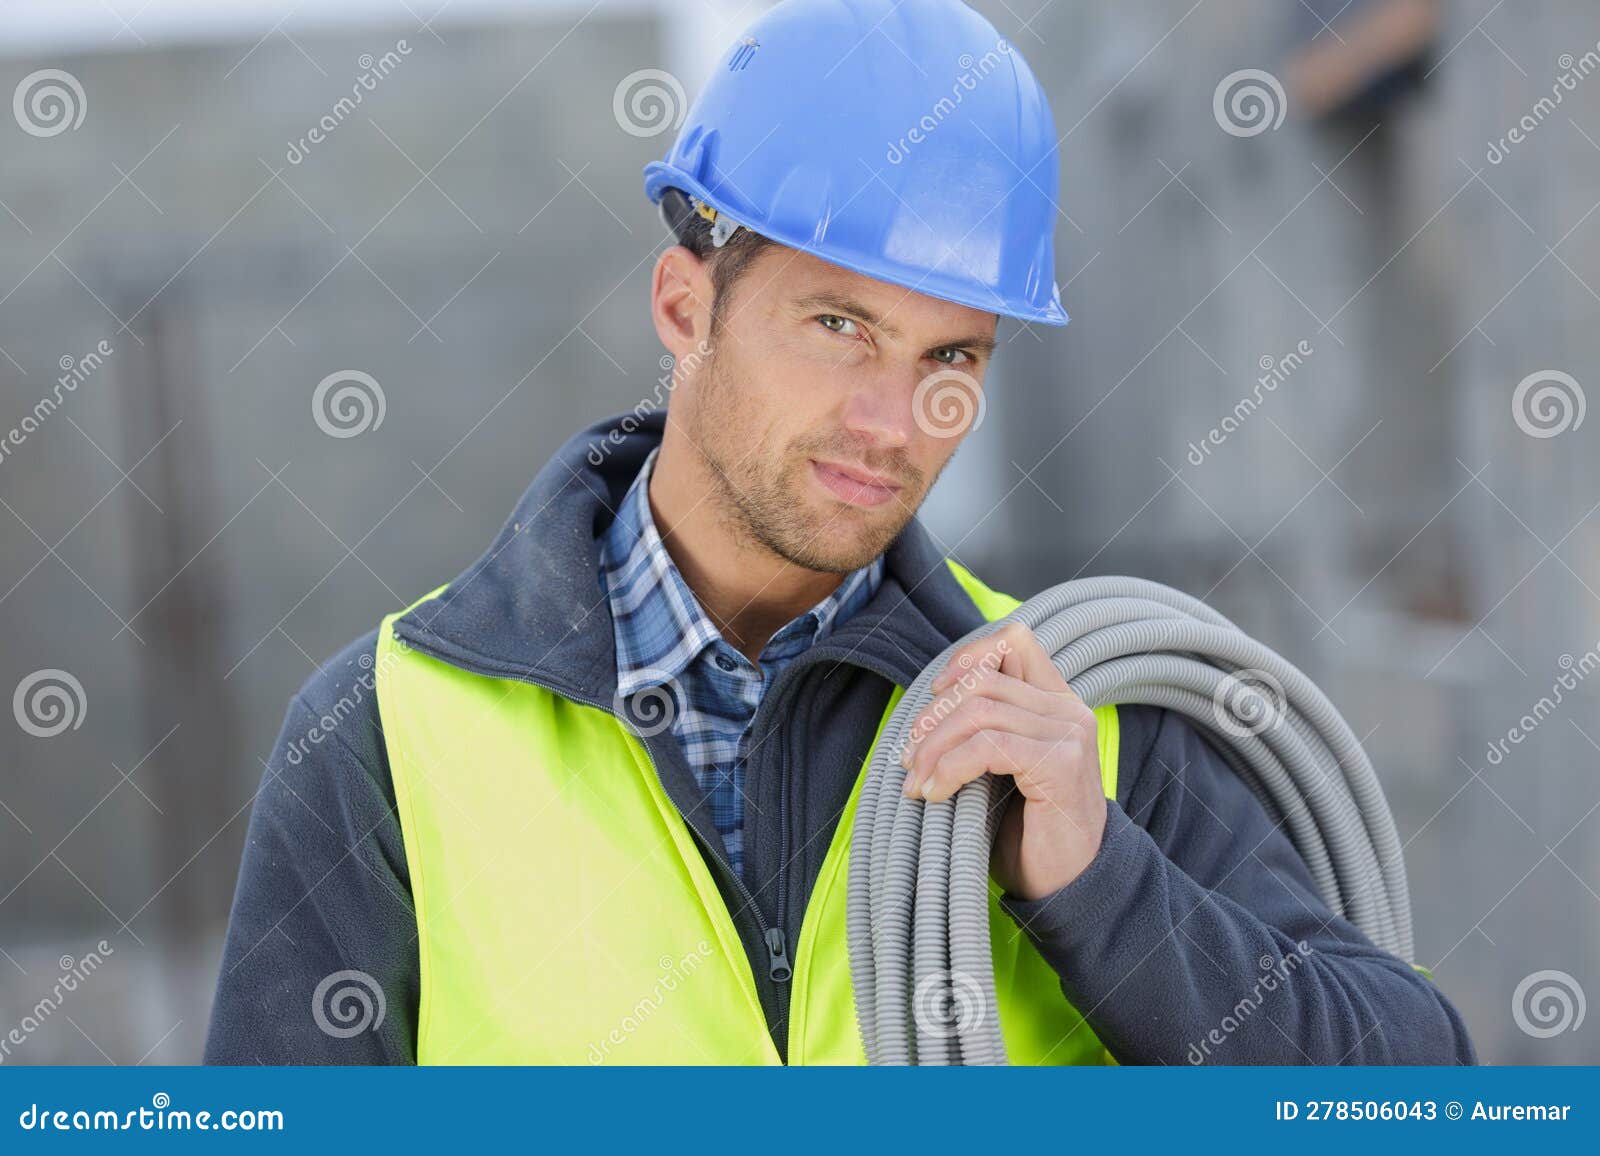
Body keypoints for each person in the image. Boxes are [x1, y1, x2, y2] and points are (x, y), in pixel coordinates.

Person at [205, 0, 1475, 1065]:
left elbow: (1415, 1086)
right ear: (684, 304)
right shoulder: (390, 734)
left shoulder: (1074, 716)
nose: (893, 419)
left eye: (951, 354)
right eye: (838, 327)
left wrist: (1099, 884)